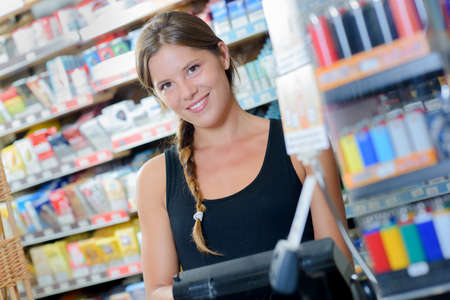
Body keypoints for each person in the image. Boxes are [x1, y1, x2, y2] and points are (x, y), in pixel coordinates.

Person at [135, 11, 351, 300]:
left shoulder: (301, 142)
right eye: (167, 85)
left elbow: (338, 264)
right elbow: (157, 293)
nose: (186, 92)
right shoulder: (155, 179)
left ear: (222, 55)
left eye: (193, 69)